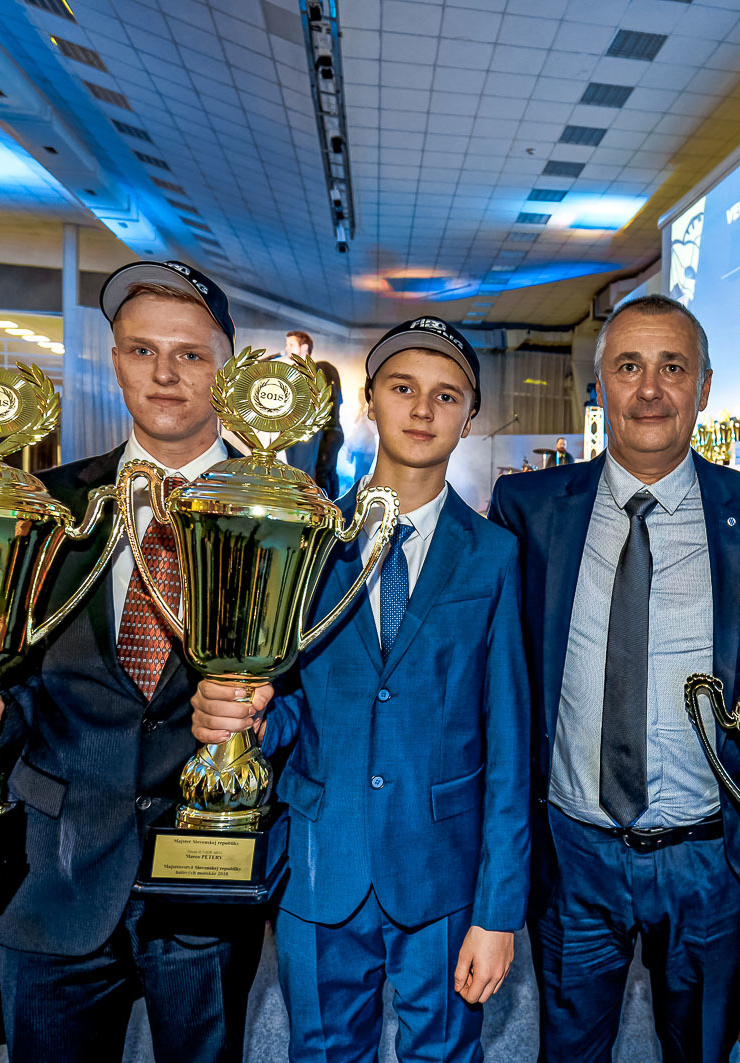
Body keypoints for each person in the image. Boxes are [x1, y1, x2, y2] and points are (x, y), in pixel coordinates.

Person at [0, 260, 261, 1063]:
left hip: (204, 871)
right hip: (56, 873)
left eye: (190, 354)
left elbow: (306, 687)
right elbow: (14, 680)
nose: (163, 374)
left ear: (227, 369)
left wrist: (263, 721)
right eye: (141, 350)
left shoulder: (281, 512)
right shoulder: (43, 506)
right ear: (115, 358)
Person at [192, 317, 530, 1063]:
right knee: (321, 1051)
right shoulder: (306, 535)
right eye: (403, 388)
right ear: (369, 400)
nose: (422, 409)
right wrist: (249, 719)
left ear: (470, 416)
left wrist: (499, 910)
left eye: (447, 395)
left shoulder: (494, 554)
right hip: (322, 856)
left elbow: (508, 743)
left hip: (442, 869)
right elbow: (290, 703)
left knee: (446, 1055)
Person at [487, 294, 740, 1063]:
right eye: (629, 366)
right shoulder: (529, 509)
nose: (650, 389)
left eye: (673, 367)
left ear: (704, 386)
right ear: (600, 384)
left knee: (698, 1049)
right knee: (569, 1052)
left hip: (707, 856)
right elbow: (487, 661)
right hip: (574, 853)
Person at [283, 330, 346, 499]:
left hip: (317, 433)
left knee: (313, 477)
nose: (286, 348)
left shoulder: (319, 370)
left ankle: (324, 510)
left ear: (304, 347)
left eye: (291, 345)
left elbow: (331, 403)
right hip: (307, 433)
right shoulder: (299, 372)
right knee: (312, 475)